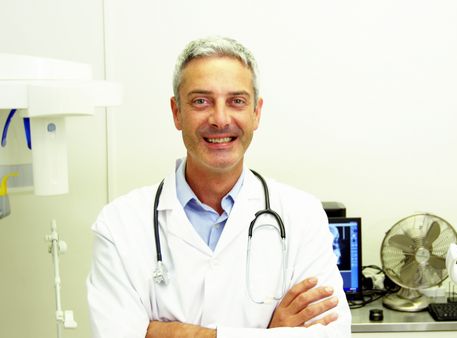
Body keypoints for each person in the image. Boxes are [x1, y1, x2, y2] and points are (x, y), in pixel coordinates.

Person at [87, 36, 351, 338]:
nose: (220, 119)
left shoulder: (302, 215)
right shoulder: (119, 225)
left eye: (236, 101)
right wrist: (271, 332)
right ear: (177, 113)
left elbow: (331, 334)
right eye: (201, 101)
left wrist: (168, 333)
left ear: (256, 113)